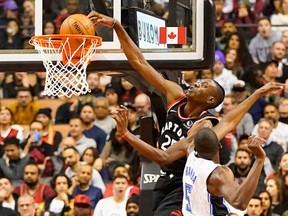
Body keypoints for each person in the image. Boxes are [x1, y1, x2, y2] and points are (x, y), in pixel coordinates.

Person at [88, 11, 286, 215]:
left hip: (188, 181)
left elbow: (229, 121)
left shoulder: (204, 126)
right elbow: (139, 62)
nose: (198, 82)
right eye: (200, 81)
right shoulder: (176, 94)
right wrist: (117, 27)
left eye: (204, 85)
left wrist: (256, 93)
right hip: (165, 180)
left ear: (210, 100)